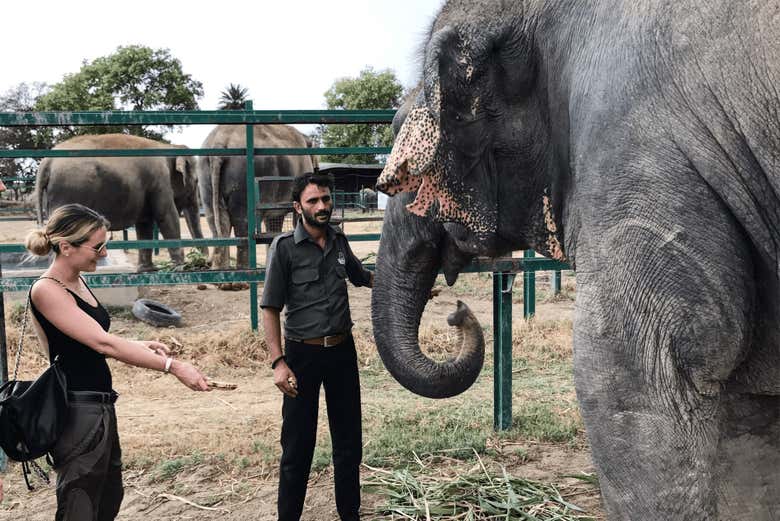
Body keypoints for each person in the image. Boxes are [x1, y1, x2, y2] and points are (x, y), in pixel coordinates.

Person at [24, 203, 210, 521]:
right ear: (66, 247)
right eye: (97, 246)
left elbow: (86, 342)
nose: (104, 252)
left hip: (99, 405)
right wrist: (173, 367)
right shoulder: (47, 290)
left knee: (108, 497)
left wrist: (141, 345)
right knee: (80, 503)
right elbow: (102, 342)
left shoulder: (77, 281)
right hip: (77, 410)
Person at [261, 173, 373, 521]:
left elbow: (362, 276)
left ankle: (349, 514)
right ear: (298, 207)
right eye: (313, 201)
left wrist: (406, 284)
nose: (322, 206)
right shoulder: (283, 248)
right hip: (301, 355)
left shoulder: (339, 240)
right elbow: (270, 308)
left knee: (348, 442)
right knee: (297, 446)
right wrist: (278, 363)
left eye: (325, 199)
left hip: (342, 351)